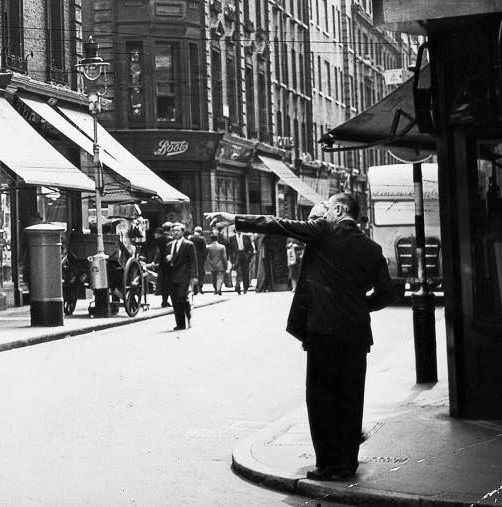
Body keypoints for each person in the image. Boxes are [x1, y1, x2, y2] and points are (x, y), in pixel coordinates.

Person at [209, 193, 396, 482]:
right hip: (357, 335)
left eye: (327, 208)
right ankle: (347, 464)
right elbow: (386, 293)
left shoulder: (323, 231)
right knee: (350, 398)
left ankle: (329, 466)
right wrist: (358, 306)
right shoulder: (373, 249)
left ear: (338, 209)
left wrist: (235, 219)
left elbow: (278, 224)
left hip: (323, 331)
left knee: (321, 399)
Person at [164, 223, 196, 330]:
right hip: (172, 276)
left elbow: (193, 262)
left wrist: (194, 276)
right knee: (174, 300)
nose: (175, 233)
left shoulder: (189, 245)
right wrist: (167, 259)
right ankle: (180, 324)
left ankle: (188, 313)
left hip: (184, 275)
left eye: (177, 230)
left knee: (181, 297)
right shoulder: (169, 245)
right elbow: (164, 261)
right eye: (173, 231)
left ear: (182, 231)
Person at [154, 224, 172, 308]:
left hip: (162, 263)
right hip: (169, 263)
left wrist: (155, 261)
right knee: (168, 282)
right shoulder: (170, 239)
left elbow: (159, 252)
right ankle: (166, 301)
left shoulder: (160, 240)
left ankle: (164, 301)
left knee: (164, 282)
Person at [189, 226, 207, 295]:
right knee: (201, 273)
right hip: (200, 259)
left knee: (193, 273)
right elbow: (204, 250)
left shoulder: (191, 238)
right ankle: (200, 288)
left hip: (192, 258)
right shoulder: (202, 239)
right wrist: (204, 258)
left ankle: (194, 288)